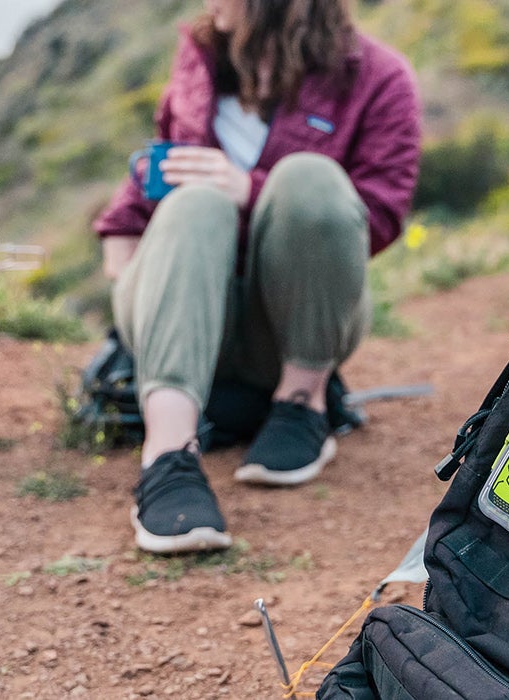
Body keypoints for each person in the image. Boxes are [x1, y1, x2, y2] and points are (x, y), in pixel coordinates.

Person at [93, 0, 421, 554]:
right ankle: (168, 454)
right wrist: (143, 297)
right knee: (197, 204)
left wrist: (252, 188)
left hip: (293, 323)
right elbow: (139, 196)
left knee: (310, 178)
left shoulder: (377, 78)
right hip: (186, 319)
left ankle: (301, 402)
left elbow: (375, 215)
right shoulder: (200, 65)